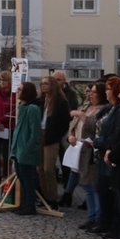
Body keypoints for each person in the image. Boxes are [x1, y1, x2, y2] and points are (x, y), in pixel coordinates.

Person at [68, 84, 106, 218]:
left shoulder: (103, 109)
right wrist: (71, 135)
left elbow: (94, 127)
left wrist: (81, 115)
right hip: (79, 150)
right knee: (86, 187)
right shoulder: (86, 106)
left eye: (93, 92)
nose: (90, 94)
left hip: (91, 153)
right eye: (90, 92)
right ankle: (91, 217)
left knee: (94, 187)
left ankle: (98, 217)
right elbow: (73, 125)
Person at [93, 77, 120, 235]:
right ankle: (103, 222)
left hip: (111, 154)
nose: (106, 92)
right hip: (101, 153)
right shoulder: (108, 108)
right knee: (102, 189)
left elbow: (116, 135)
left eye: (109, 89)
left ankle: (113, 226)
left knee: (112, 193)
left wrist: (101, 142)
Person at [37, 76, 70, 207]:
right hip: (40, 134)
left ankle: (52, 197)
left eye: (46, 83)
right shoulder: (40, 101)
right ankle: (44, 197)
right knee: (40, 168)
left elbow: (64, 122)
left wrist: (56, 136)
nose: (43, 86)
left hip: (51, 137)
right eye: (41, 83)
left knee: (48, 169)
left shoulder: (60, 102)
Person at [10, 82, 42, 216]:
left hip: (25, 150)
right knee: (21, 177)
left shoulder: (32, 109)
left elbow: (35, 132)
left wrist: (28, 147)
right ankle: (24, 204)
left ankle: (30, 205)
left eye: (20, 89)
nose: (17, 91)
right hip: (19, 149)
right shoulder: (22, 107)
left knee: (28, 178)